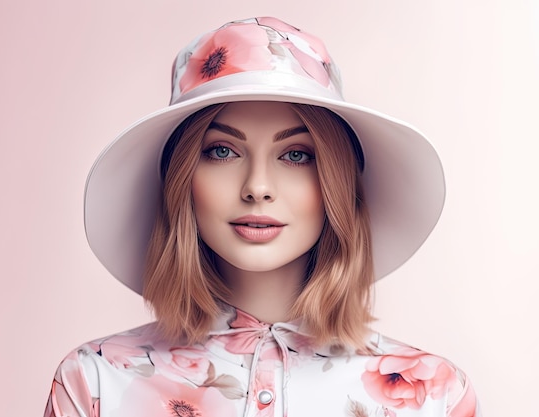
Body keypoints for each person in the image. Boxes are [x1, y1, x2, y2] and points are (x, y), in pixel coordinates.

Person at [44, 17, 481, 417]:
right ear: (182, 181)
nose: (257, 186)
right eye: (221, 151)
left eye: (296, 154)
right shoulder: (95, 382)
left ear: (336, 182)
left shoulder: (435, 396)